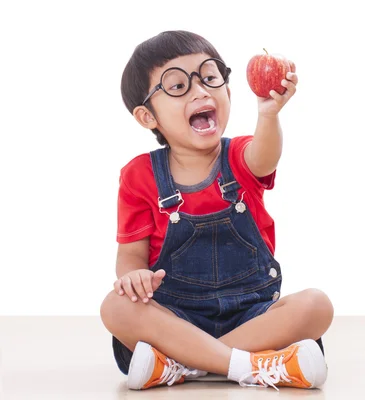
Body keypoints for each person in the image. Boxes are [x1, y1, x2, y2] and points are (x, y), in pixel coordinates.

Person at [99, 30, 334, 391]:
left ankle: (183, 365)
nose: (201, 91)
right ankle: (254, 365)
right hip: (176, 319)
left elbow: (265, 155)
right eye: (177, 86)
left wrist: (268, 114)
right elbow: (131, 254)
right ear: (147, 116)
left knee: (316, 306)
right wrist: (132, 277)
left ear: (227, 89)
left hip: (252, 317)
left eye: (209, 77)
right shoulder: (139, 175)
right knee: (115, 307)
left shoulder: (239, 156)